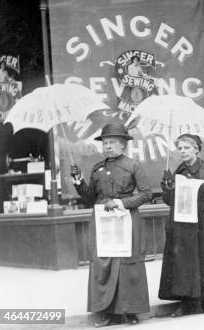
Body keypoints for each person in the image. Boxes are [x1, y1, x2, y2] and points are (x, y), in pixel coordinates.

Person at [70, 122, 152, 327]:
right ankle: (108, 313)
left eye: (112, 142)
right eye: (105, 143)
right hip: (103, 221)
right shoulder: (97, 168)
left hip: (126, 220)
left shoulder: (134, 165)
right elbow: (90, 198)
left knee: (126, 264)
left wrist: (121, 202)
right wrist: (78, 181)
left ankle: (130, 312)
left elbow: (146, 194)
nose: (107, 146)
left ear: (123, 144)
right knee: (104, 264)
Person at [158, 134, 204, 316]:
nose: (182, 151)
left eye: (187, 148)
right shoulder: (178, 172)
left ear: (197, 149)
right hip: (183, 224)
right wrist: (167, 187)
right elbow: (169, 201)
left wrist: (199, 186)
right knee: (184, 262)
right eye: (180, 148)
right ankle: (186, 301)